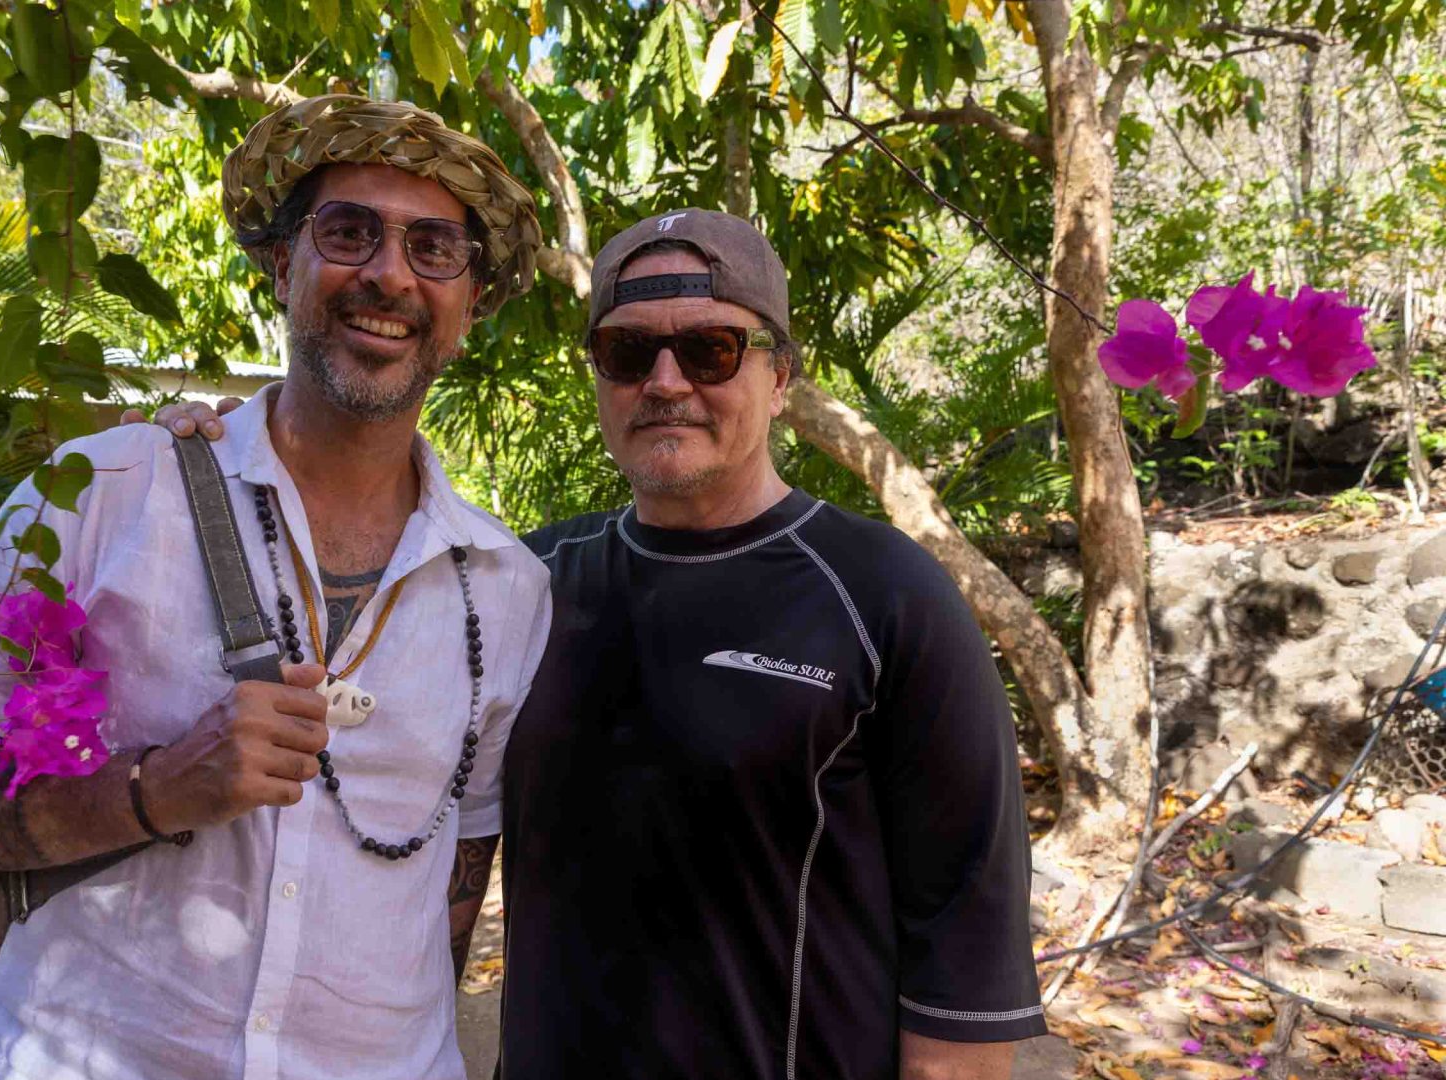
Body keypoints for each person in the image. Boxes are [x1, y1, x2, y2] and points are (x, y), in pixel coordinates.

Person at [147, 209, 1044, 1079]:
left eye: (710, 348)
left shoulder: (887, 598)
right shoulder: (518, 586)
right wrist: (220, 456)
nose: (664, 380)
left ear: (779, 378)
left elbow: (962, 999)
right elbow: (411, 839)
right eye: (626, 351)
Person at [0, 94, 552, 1080]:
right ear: (283, 264)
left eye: (434, 248)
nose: (389, 275)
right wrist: (150, 791)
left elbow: (452, 874)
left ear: (471, 303)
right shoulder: (100, 492)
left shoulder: (509, 590)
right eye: (349, 231)